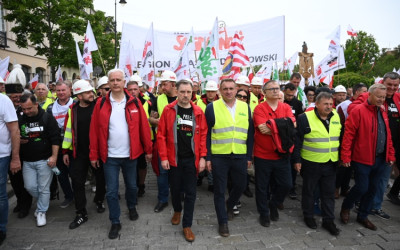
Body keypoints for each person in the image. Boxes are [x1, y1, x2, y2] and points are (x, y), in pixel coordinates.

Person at [89, 69, 152, 239]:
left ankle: (131, 206)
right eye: (112, 80)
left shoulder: (135, 102)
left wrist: (148, 150)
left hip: (131, 155)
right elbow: (94, 131)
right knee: (111, 191)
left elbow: (144, 128)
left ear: (124, 82)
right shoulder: (100, 104)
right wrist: (93, 154)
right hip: (109, 156)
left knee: (132, 186)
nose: (115, 82)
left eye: (119, 79)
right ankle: (115, 221)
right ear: (108, 83)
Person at [157, 79, 207, 242]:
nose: (186, 95)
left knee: (191, 193)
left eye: (188, 92)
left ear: (193, 92)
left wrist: (202, 158)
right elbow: (162, 135)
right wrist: (164, 157)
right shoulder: (169, 110)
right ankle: (177, 210)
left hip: (191, 160)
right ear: (176, 92)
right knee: (176, 190)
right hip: (174, 160)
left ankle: (187, 225)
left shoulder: (198, 111)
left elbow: (203, 136)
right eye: (182, 92)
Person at [340, 83, 395, 231]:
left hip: (380, 159)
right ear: (369, 95)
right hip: (362, 158)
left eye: (383, 97)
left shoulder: (383, 111)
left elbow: (387, 134)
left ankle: (363, 215)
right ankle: (346, 207)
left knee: (373, 189)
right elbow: (348, 135)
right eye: (378, 96)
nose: (381, 100)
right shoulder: (358, 110)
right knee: (362, 187)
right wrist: (345, 156)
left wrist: (390, 154)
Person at [205, 78, 254, 237]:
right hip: (219, 155)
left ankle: (229, 204)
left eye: (231, 88)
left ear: (236, 89)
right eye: (225, 88)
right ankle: (223, 222)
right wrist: (208, 157)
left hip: (239, 154)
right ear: (220, 90)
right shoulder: (212, 108)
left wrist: (248, 155)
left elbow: (250, 134)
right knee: (219, 189)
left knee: (240, 185)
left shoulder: (245, 107)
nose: (228, 91)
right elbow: (206, 134)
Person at [349, 72, 400, 219]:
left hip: (389, 147)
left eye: (395, 85)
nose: (392, 88)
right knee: (365, 182)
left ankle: (375, 207)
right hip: (368, 148)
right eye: (389, 84)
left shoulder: (397, 98)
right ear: (382, 82)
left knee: (381, 181)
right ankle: (358, 203)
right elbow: (353, 108)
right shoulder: (370, 96)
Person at [293, 92, 341, 236]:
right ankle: (308, 216)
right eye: (325, 104)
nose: (329, 107)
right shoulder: (304, 118)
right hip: (311, 162)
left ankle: (328, 220)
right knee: (309, 191)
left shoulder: (336, 116)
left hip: (331, 162)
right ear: (317, 104)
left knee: (328, 193)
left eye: (331, 104)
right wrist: (297, 160)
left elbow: (340, 136)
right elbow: (297, 141)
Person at [62, 80, 106, 230]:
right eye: (87, 92)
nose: (91, 94)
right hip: (78, 154)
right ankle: (81, 213)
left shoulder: (99, 106)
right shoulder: (72, 109)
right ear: (79, 96)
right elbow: (69, 131)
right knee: (77, 182)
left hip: (97, 152)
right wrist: (66, 151)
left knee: (101, 179)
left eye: (92, 91)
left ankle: (99, 200)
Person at [253, 80, 295, 227]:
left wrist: (274, 125)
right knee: (262, 186)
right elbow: (262, 128)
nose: (276, 91)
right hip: (263, 155)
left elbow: (293, 124)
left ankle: (274, 204)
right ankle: (264, 213)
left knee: (286, 184)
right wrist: (284, 125)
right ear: (264, 93)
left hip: (282, 154)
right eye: (272, 89)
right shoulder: (259, 109)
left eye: (277, 88)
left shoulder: (286, 107)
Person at [19, 94, 61, 227]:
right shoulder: (20, 119)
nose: (27, 112)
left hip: (45, 160)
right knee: (29, 187)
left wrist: (54, 157)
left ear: (36, 104)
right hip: (27, 161)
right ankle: (44, 200)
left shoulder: (47, 118)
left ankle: (41, 211)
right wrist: (18, 140)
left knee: (43, 188)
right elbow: (14, 135)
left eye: (29, 108)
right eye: (24, 109)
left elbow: (55, 139)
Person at [4, 65, 33, 219]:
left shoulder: (25, 109)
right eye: (12, 97)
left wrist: (24, 139)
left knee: (23, 179)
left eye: (17, 96)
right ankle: (20, 201)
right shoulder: (6, 107)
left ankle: (26, 204)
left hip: (25, 150)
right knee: (14, 178)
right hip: (8, 149)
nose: (15, 99)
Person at [149, 70, 178, 213]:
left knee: (179, 172)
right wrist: (160, 122)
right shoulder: (158, 99)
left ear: (173, 84)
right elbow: (151, 119)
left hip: (180, 143)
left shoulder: (183, 97)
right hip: (163, 143)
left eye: (164, 84)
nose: (162, 87)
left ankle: (179, 196)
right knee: (162, 173)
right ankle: (162, 200)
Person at [334, 83, 367, 198]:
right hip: (346, 137)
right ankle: (336, 187)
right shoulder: (344, 105)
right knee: (343, 165)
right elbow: (340, 124)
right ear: (357, 92)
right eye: (364, 91)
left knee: (351, 166)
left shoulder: (368, 104)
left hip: (360, 140)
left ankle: (345, 187)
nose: (366, 94)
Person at [46, 81, 74, 208]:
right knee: (61, 173)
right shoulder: (50, 108)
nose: (61, 93)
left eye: (63, 90)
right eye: (58, 90)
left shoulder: (76, 103)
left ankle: (78, 195)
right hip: (56, 145)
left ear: (70, 90)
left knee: (75, 173)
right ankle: (68, 196)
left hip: (73, 145)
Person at [0, 88, 21, 246]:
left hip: (1, 155)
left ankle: (1, 228)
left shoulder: (4, 101)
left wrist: (15, 157)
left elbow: (14, 131)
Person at [126, 75, 153, 197]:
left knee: (142, 165)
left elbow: (153, 117)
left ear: (139, 89)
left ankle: (141, 185)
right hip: (130, 138)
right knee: (130, 165)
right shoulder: (123, 102)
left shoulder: (147, 102)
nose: (133, 92)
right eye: (130, 89)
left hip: (144, 138)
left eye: (135, 89)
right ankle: (132, 186)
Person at [195, 80, 219, 192]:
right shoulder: (199, 102)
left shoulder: (221, 102)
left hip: (215, 134)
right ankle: (199, 176)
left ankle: (211, 182)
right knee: (201, 155)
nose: (210, 94)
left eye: (213, 91)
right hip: (201, 133)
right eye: (209, 91)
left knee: (211, 157)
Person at [283, 83, 304, 199]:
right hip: (281, 135)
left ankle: (292, 187)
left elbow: (300, 118)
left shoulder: (297, 103)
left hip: (293, 135)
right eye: (288, 95)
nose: (290, 97)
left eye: (292, 95)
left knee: (293, 163)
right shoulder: (280, 101)